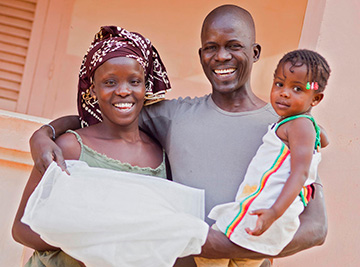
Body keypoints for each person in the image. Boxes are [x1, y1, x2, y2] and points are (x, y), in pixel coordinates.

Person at [27, 5, 328, 267]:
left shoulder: (284, 126)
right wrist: (44, 134)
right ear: (201, 55)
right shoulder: (172, 117)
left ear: (255, 52)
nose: (221, 56)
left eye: (234, 46)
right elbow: (101, 115)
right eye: (211, 47)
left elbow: (316, 226)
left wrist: (228, 246)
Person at [12, 26, 198, 266]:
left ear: (146, 86)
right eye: (110, 82)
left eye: (134, 81)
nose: (123, 91)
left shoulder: (159, 155)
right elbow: (21, 229)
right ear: (92, 89)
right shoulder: (71, 148)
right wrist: (95, 236)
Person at [195, 49, 330, 267]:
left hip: (265, 210)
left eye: (297, 89)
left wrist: (274, 212)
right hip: (268, 214)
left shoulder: (299, 125)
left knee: (206, 250)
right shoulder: (302, 124)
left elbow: (301, 172)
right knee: (244, 261)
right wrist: (313, 125)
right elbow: (325, 140)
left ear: (316, 98)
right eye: (279, 84)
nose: (284, 93)